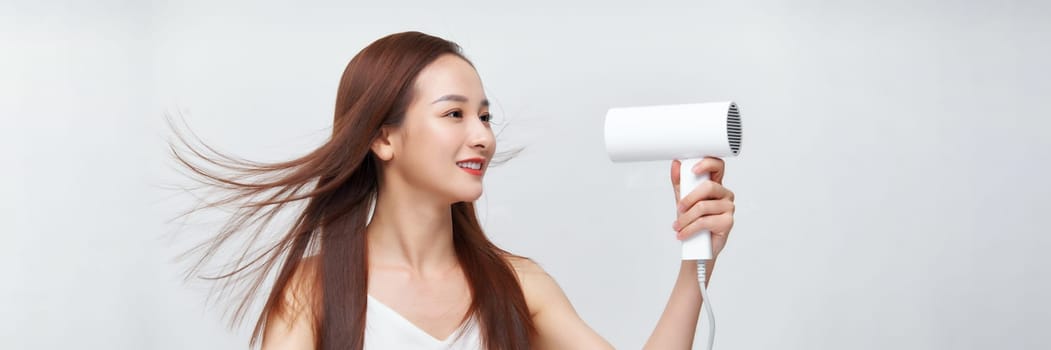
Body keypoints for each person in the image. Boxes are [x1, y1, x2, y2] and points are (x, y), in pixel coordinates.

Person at [171, 31, 736, 350]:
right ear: (383, 137)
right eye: (454, 114)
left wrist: (696, 263)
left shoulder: (515, 284)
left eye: (485, 116)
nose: (482, 136)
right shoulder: (314, 291)